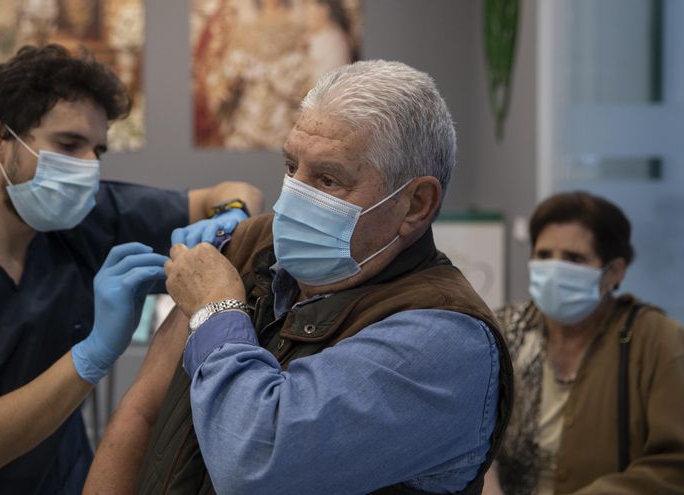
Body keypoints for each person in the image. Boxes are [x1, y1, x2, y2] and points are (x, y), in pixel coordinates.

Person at [0, 44, 262, 494]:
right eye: (68, 145)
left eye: (98, 149)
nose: (89, 169)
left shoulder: (83, 221)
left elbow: (237, 190)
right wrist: (94, 353)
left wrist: (231, 215)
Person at [84, 60, 514, 494]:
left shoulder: (444, 342)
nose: (293, 198)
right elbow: (143, 410)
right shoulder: (255, 245)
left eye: (328, 179)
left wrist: (217, 312)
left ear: (416, 204)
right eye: (292, 167)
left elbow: (256, 461)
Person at [482, 192, 684, 495]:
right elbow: (465, 436)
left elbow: (673, 463)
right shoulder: (502, 331)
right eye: (544, 255)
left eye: (574, 259)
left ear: (613, 272)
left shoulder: (655, 340)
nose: (554, 270)